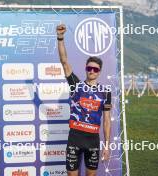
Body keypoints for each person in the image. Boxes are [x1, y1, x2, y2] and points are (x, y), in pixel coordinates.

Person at [56, 24, 112, 176]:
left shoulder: (105, 92)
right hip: (75, 138)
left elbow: (107, 121)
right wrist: (60, 38)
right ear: (86, 68)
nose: (92, 71)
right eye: (89, 68)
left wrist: (106, 146)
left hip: (93, 140)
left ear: (99, 72)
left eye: (95, 69)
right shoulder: (76, 85)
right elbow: (64, 61)